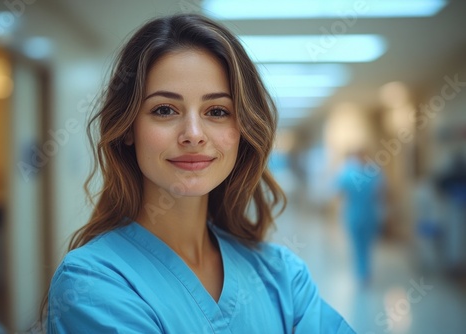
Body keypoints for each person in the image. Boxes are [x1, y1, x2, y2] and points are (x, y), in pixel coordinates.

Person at [45, 13, 355, 333]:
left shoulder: (283, 277)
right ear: (128, 128)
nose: (193, 134)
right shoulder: (91, 284)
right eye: (165, 110)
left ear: (243, 130)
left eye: (217, 111)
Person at [336, 149, 386, 285]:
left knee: (358, 246)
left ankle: (361, 274)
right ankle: (365, 274)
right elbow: (381, 193)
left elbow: (339, 192)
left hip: (354, 214)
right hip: (369, 214)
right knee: (366, 246)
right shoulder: (374, 172)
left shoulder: (347, 173)